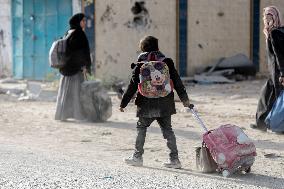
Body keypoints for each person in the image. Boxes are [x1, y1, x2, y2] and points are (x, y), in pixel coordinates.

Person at [119, 36, 192, 169]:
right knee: (168, 130)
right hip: (165, 103)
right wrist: (185, 101)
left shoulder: (140, 64)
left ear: (143, 48)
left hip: (146, 104)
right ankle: (175, 159)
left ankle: (137, 157)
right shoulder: (167, 62)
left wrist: (123, 103)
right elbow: (177, 82)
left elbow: (132, 86)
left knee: (141, 128)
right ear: (157, 47)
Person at [251, 6, 284, 131]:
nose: (266, 19)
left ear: (275, 17)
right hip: (275, 72)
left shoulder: (274, 33)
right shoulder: (279, 31)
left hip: (277, 72)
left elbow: (279, 56)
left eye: (270, 16)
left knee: (273, 98)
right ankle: (263, 123)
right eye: (265, 16)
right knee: (269, 96)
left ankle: (268, 124)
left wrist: (282, 74)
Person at [55, 13, 91, 121]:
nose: (84, 23)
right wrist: (84, 65)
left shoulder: (68, 32)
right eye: (83, 21)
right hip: (75, 69)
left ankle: (62, 115)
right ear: (78, 22)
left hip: (66, 68)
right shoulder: (79, 34)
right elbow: (81, 52)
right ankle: (78, 115)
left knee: (65, 93)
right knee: (77, 92)